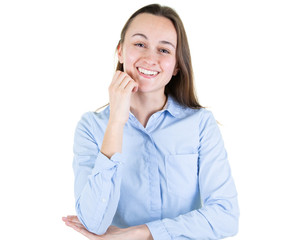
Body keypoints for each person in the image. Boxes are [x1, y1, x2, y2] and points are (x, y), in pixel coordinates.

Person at [62, 3, 239, 240]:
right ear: (120, 51)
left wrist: (141, 233)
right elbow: (94, 223)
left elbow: (226, 217)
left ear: (177, 65)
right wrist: (116, 122)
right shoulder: (91, 128)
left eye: (164, 50)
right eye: (140, 44)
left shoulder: (200, 124)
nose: (150, 58)